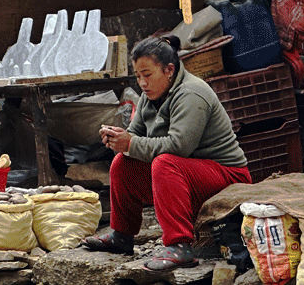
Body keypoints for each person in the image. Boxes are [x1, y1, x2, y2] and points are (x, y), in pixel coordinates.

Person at [83, 35, 252, 271]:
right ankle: (122, 236)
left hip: (227, 177)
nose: (142, 83)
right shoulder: (147, 96)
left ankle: (180, 246)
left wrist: (130, 143)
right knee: (123, 163)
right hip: (185, 175)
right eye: (138, 76)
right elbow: (135, 136)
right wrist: (118, 140)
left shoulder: (191, 93)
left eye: (148, 75)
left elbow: (179, 146)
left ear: (169, 70)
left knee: (164, 163)